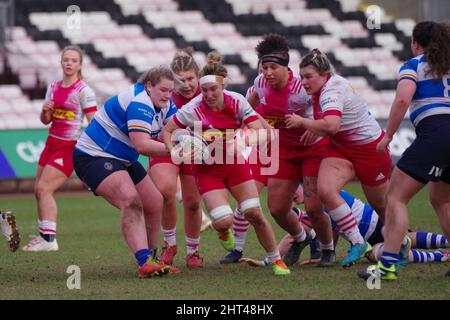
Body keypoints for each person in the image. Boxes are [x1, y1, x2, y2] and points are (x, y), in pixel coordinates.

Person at [163, 51, 290, 275]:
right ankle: (223, 231)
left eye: (214, 89)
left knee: (254, 213)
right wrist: (174, 150)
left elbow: (261, 131)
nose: (209, 95)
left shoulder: (237, 101)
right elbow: (168, 130)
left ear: (223, 87)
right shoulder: (193, 108)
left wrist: (244, 140)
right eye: (205, 90)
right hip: (207, 170)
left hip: (235, 165)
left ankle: (276, 259)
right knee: (223, 221)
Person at [358, 21, 450, 281]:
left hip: (436, 133)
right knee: (441, 199)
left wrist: (388, 135)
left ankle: (387, 265)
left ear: (416, 43)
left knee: (395, 197)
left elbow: (402, 99)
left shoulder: (414, 65)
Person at [285, 48, 391, 268]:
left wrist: (304, 123)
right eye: (301, 76)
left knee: (382, 205)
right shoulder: (325, 86)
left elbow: (332, 126)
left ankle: (401, 241)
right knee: (325, 191)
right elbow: (331, 122)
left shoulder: (331, 90)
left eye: (308, 76)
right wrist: (317, 126)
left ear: (324, 74)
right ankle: (358, 242)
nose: (303, 82)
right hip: (342, 149)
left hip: (370, 150)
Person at [72, 66, 178, 278]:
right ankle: (144, 262)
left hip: (121, 158)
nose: (167, 95)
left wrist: (197, 139)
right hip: (93, 156)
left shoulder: (164, 103)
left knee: (154, 202)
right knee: (130, 200)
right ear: (149, 86)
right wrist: (177, 149)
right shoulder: (140, 102)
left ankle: (152, 259)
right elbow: (142, 146)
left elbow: (178, 127)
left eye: (170, 90)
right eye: (163, 90)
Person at [246, 33, 334, 267]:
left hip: (313, 150)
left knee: (314, 208)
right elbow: (248, 105)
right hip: (284, 149)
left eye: (273, 67)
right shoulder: (260, 84)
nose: (267, 73)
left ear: (286, 67)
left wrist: (316, 126)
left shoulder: (302, 87)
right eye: (264, 67)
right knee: (276, 208)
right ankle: (302, 237)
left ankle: (327, 250)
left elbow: (329, 103)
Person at [240, 189, 449, 267]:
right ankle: (442, 257)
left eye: (295, 189)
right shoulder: (312, 211)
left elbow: (329, 229)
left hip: (379, 224)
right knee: (379, 255)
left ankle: (446, 241)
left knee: (399, 236)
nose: (293, 195)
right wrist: (268, 261)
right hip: (369, 242)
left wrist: (324, 253)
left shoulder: (322, 193)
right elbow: (292, 238)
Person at [22, 46, 97, 252]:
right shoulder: (53, 87)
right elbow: (46, 120)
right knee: (38, 190)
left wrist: (90, 149)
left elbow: (93, 123)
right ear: (61, 63)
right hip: (51, 143)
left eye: (74, 60)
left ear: (79, 65)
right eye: (66, 60)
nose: (69, 63)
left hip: (68, 146)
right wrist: (45, 112)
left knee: (45, 189)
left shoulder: (83, 91)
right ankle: (43, 235)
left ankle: (49, 240)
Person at [149, 48, 208, 269]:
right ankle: (169, 245)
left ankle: (193, 251)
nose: (186, 84)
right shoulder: (164, 96)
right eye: (180, 80)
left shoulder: (207, 95)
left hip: (195, 151)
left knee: (193, 203)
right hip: (166, 146)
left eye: (190, 78)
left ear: (198, 76)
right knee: (164, 190)